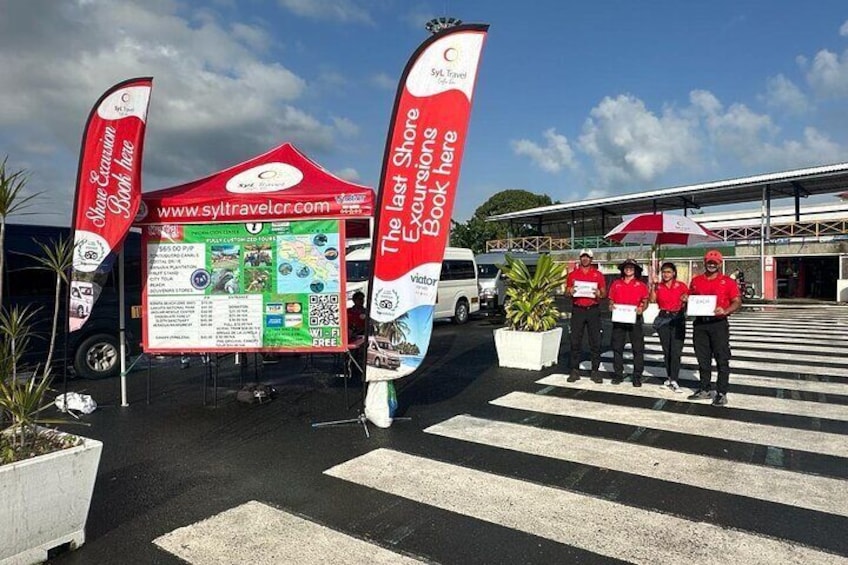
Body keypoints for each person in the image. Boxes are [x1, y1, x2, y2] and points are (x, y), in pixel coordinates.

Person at [687, 250, 742, 406]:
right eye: (709, 261)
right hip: (700, 324)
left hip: (718, 324)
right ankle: (704, 389)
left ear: (719, 263)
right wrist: (686, 299)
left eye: (715, 262)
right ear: (705, 262)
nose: (711, 264)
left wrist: (726, 310)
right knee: (702, 358)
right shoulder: (696, 280)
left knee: (721, 358)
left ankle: (721, 392)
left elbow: (737, 301)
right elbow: (691, 298)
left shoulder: (728, 282)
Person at [566, 249, 606, 383]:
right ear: (580, 258)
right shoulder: (572, 275)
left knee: (595, 341)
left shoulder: (598, 275)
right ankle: (574, 370)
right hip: (578, 310)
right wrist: (570, 291)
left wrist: (599, 293)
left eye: (587, 257)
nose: (585, 259)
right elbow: (567, 292)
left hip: (593, 310)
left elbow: (604, 293)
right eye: (583, 257)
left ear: (591, 259)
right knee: (575, 341)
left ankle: (595, 370)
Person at [607, 259, 649, 386]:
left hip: (634, 319)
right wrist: (611, 306)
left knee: (637, 349)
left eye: (632, 267)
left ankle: (637, 376)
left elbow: (645, 301)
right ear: (623, 269)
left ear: (636, 270)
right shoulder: (616, 284)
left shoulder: (641, 285)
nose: (629, 269)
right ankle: (618, 374)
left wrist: (642, 308)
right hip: (619, 319)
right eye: (626, 267)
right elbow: (611, 300)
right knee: (617, 347)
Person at [649, 262, 688, 392]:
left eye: (669, 272)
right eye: (664, 272)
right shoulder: (658, 286)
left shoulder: (681, 286)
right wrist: (654, 285)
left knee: (676, 351)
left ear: (674, 273)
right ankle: (669, 377)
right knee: (667, 351)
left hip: (677, 318)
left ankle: (675, 379)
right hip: (663, 318)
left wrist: (685, 299)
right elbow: (652, 300)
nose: (666, 274)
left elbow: (688, 299)